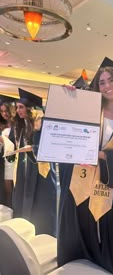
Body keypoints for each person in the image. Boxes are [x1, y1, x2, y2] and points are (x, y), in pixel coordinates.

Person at [58, 57, 113, 275]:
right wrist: (68, 99)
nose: (107, 86)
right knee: (83, 230)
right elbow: (67, 129)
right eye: (101, 82)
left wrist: (103, 155)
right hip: (83, 181)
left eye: (111, 80)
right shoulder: (90, 110)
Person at [8, 88, 57, 236]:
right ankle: (23, 233)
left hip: (42, 172)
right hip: (24, 170)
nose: (18, 111)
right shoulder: (20, 126)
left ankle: (45, 234)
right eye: (17, 107)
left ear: (31, 108)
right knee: (22, 201)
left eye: (21, 107)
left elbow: (48, 147)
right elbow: (13, 146)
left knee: (41, 204)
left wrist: (36, 131)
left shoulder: (43, 124)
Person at [0, 95, 16, 207]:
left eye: (6, 111)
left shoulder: (17, 126)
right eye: (2, 111)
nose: (4, 114)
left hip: (13, 162)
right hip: (5, 161)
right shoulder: (4, 127)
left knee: (10, 188)